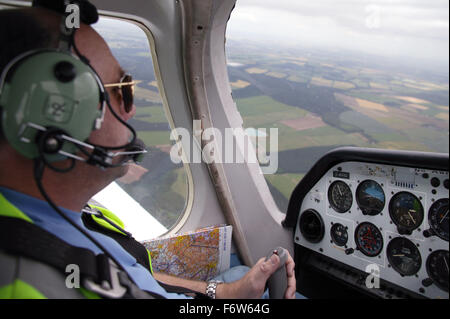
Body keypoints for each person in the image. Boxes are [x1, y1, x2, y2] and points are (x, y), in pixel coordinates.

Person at [0, 6, 296, 299]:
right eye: (122, 90)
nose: (132, 110)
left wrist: (228, 294)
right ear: (54, 116)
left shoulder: (66, 211)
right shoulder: (36, 285)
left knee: (240, 274)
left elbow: (129, 273)